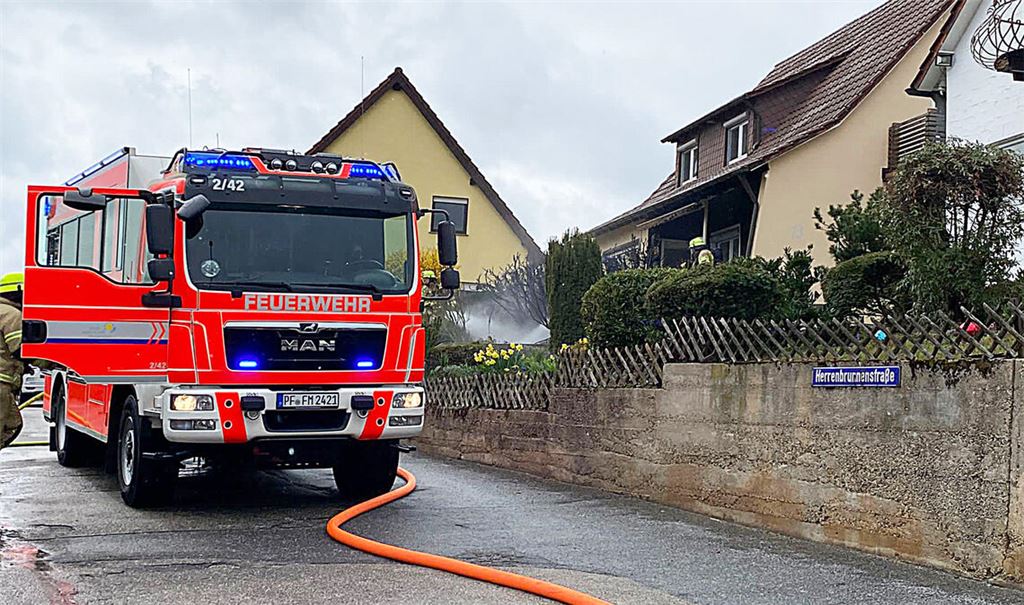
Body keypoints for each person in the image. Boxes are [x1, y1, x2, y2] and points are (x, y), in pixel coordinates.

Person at [0, 272, 25, 450]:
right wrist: (51, 362)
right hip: (1, 383)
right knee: (11, 426)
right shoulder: (12, 315)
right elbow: (20, 349)